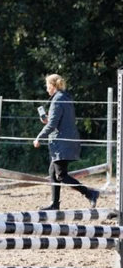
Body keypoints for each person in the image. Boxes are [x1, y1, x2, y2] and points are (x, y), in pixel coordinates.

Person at [33, 74, 100, 210]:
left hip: (61, 142)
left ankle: (90, 193)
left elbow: (52, 125)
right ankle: (55, 204)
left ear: (52, 86)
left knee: (61, 175)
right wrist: (47, 120)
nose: (47, 90)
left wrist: (39, 137)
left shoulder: (57, 100)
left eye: (47, 86)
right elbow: (59, 121)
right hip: (66, 140)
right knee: (52, 173)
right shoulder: (66, 98)